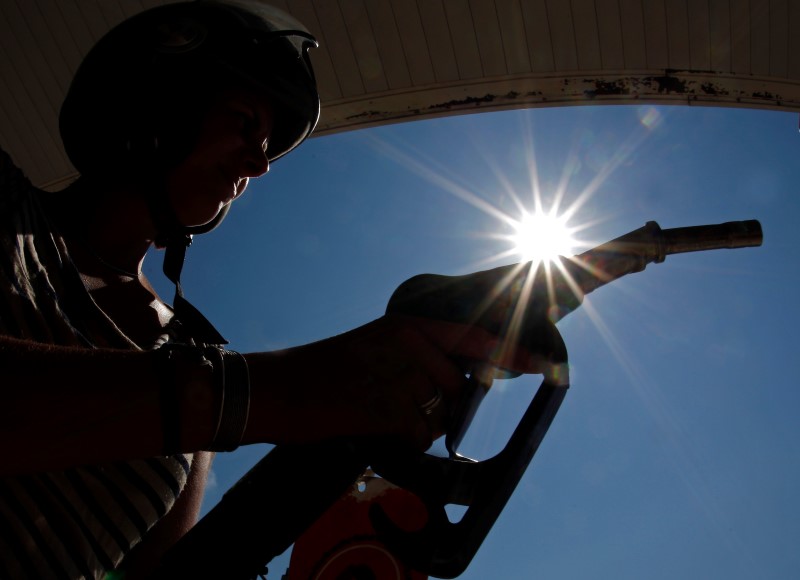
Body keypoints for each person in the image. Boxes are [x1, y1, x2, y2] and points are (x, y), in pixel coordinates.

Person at [0, 1, 562, 578]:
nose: (259, 164)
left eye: (266, 145)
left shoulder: (192, 354)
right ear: (156, 99)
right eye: (245, 122)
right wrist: (282, 391)